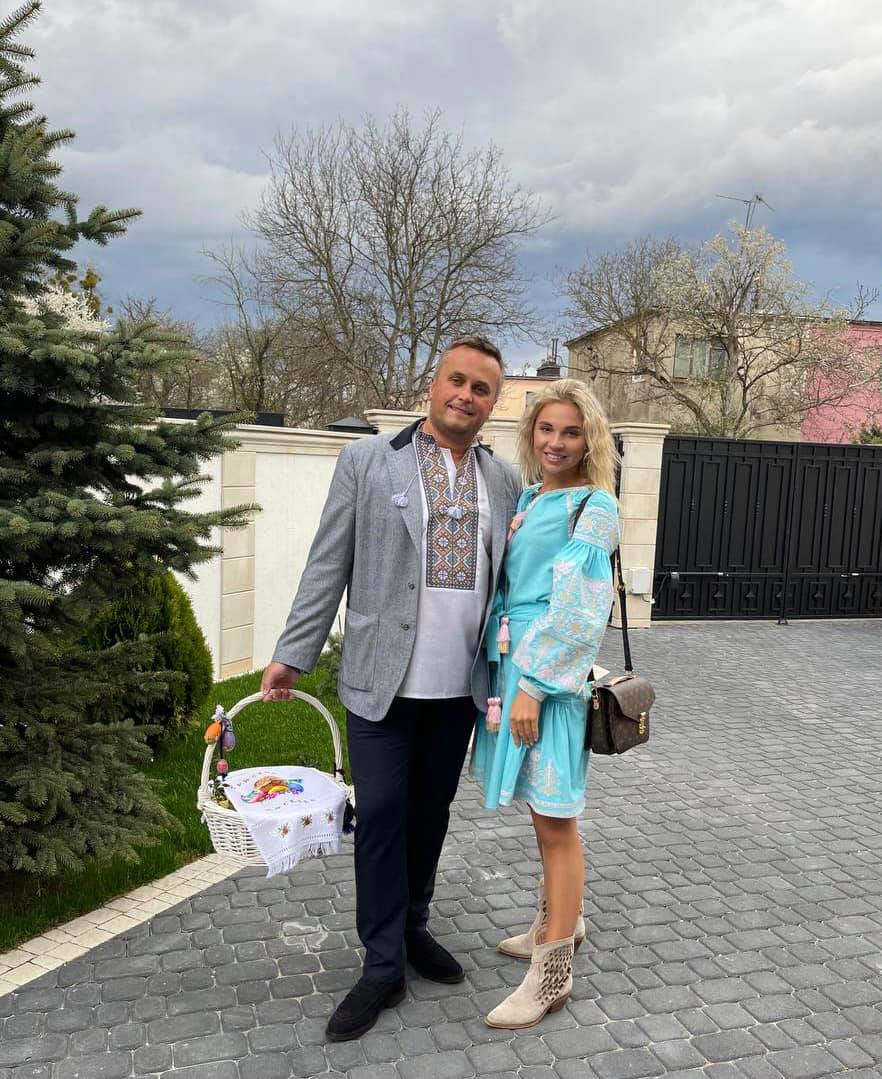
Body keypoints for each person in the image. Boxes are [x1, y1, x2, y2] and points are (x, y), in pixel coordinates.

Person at [261, 335, 520, 1042]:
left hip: (460, 686)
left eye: (481, 389)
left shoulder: (503, 478)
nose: (466, 396)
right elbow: (328, 562)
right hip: (380, 680)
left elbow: (515, 580)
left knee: (430, 814)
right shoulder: (369, 460)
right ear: (433, 385)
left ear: (492, 403)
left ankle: (413, 927)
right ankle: (381, 967)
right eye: (456, 380)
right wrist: (293, 652)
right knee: (379, 816)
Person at [470, 378, 620, 1029]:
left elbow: (582, 609)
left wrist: (533, 685)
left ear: (590, 439)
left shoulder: (595, 506)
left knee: (557, 819)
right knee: (541, 812)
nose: (556, 442)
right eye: (547, 429)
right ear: (532, 433)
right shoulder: (532, 496)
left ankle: (553, 973)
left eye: (571, 431)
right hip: (515, 667)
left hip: (547, 681)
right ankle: (558, 921)